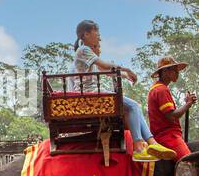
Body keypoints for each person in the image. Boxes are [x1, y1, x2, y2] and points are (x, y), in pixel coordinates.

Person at [72, 20, 174, 162]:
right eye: (97, 33)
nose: (99, 37)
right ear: (86, 34)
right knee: (133, 106)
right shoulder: (84, 50)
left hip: (94, 94)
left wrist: (124, 75)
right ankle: (139, 147)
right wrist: (126, 69)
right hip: (91, 96)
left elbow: (104, 70)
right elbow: (104, 65)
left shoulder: (86, 53)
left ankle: (153, 143)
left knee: (134, 107)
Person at [146, 56, 196, 161]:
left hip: (165, 135)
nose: (177, 73)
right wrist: (188, 104)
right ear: (165, 71)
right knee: (189, 163)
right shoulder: (161, 90)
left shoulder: (157, 88)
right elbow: (171, 116)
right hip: (168, 137)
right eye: (175, 70)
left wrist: (187, 103)